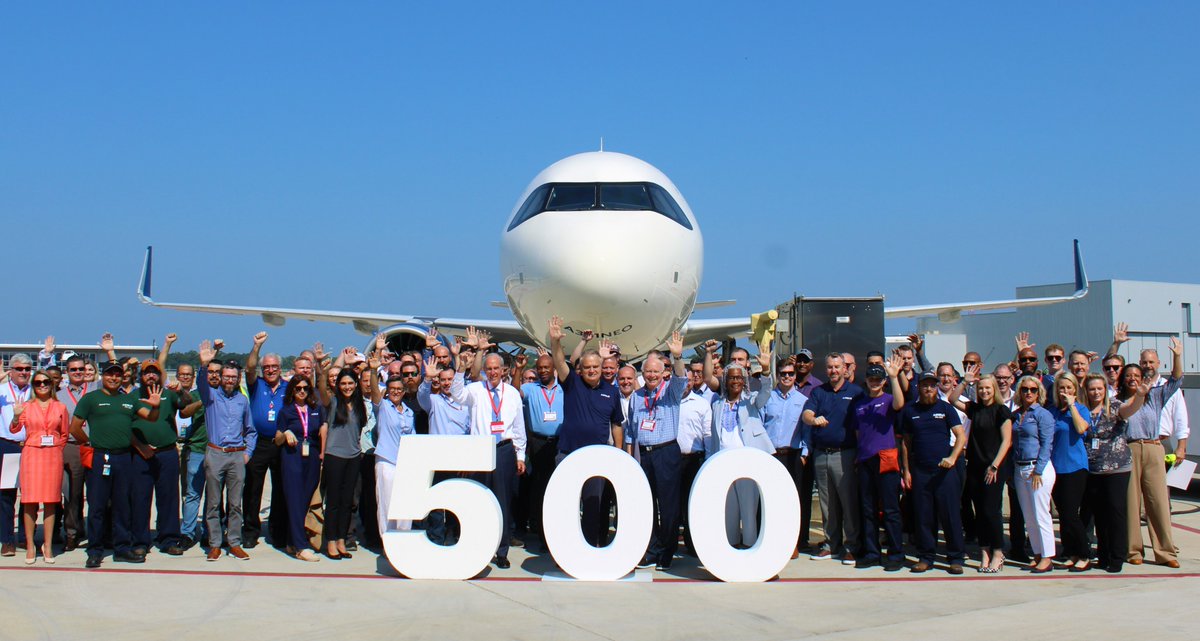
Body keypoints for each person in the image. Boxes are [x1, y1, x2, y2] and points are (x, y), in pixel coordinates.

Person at [70, 361, 163, 568]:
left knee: (122, 505)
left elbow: (151, 418)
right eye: (110, 374)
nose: (114, 378)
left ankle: (122, 548)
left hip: (123, 458)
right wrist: (89, 442)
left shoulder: (129, 400)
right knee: (97, 506)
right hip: (100, 457)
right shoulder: (91, 399)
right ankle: (95, 550)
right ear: (103, 376)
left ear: (123, 378)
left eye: (118, 375)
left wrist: (156, 406)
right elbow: (74, 427)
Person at [548, 316, 626, 547]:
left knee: (594, 506)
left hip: (598, 457)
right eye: (587, 367)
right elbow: (560, 362)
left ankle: (590, 546)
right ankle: (564, 548)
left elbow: (617, 424)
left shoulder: (611, 392)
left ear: (603, 369)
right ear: (580, 369)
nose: (592, 370)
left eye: (596, 367)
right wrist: (555, 342)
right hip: (568, 453)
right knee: (566, 505)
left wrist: (618, 453)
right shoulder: (572, 383)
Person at [1116, 336, 1183, 568]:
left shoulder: (1155, 395)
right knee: (1132, 503)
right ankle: (1134, 550)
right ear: (1124, 379)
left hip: (1154, 448)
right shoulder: (1118, 400)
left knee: (1158, 502)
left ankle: (1165, 552)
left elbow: (1176, 380)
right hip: (1130, 449)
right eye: (1129, 375)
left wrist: (1177, 356)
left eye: (1137, 375)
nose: (1134, 378)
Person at [624, 331, 687, 571]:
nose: (651, 375)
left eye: (655, 372)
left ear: (663, 374)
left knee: (668, 505)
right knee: (646, 503)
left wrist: (678, 356)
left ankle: (667, 551)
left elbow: (681, 377)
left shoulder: (671, 391)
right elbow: (630, 429)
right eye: (647, 371)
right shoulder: (637, 396)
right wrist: (631, 456)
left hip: (666, 452)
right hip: (645, 454)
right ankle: (650, 550)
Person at [898, 371, 968, 574]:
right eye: (925, 385)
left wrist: (953, 458)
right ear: (918, 387)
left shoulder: (946, 408)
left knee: (951, 515)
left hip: (944, 472)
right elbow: (905, 443)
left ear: (937, 387)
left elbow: (961, 436)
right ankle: (925, 557)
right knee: (923, 516)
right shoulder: (910, 410)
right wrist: (907, 471)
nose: (928, 389)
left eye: (932, 385)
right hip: (920, 471)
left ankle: (955, 557)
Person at [705, 351, 775, 548]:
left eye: (739, 377)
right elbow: (714, 437)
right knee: (729, 509)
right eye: (731, 378)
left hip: (747, 463)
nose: (735, 381)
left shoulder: (751, 401)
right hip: (724, 463)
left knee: (748, 508)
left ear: (744, 380)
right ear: (726, 381)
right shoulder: (718, 404)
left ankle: (750, 546)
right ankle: (732, 545)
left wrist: (766, 370)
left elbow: (767, 391)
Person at [946, 367, 1012, 572]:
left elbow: (1007, 441)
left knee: (991, 511)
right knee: (979, 512)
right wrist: (965, 382)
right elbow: (953, 399)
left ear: (994, 389)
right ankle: (984, 551)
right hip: (974, 466)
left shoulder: (1002, 411)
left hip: (992, 468)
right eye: (981, 388)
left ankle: (998, 552)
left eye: (987, 388)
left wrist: (994, 466)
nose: (984, 391)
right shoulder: (975, 409)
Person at [801, 353, 864, 564]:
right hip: (821, 455)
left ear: (845, 368)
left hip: (844, 454)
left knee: (848, 502)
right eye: (830, 367)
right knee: (828, 505)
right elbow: (806, 415)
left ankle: (852, 545)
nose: (833, 371)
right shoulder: (819, 392)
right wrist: (814, 419)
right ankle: (831, 544)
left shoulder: (856, 393)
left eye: (837, 367)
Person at [197, 341, 256, 561]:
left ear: (238, 379)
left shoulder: (242, 400)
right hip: (215, 453)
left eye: (233, 377)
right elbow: (202, 385)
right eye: (226, 376)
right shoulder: (211, 396)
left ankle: (234, 542)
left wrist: (247, 452)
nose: (230, 380)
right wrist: (203, 366)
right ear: (221, 377)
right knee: (213, 503)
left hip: (236, 455)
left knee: (235, 504)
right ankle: (214, 543)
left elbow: (251, 430)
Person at [849, 357, 905, 571]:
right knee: (868, 509)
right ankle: (872, 553)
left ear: (883, 382)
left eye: (878, 379)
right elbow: (857, 430)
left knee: (890, 509)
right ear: (866, 380)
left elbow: (900, 404)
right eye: (871, 378)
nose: (874, 382)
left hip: (886, 458)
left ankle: (895, 553)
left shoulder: (889, 399)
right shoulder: (860, 403)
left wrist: (893, 376)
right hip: (865, 460)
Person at [129, 361, 191, 557]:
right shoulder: (133, 397)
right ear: (141, 375)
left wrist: (181, 391)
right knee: (140, 498)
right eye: (147, 373)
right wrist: (141, 447)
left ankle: (169, 539)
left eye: (154, 373)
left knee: (169, 498)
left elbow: (188, 405)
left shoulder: (169, 394)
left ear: (160, 375)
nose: (151, 376)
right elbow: (125, 427)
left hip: (167, 453)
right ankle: (140, 540)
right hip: (140, 454)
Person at [10, 370, 69, 564]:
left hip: (52, 455)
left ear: (52, 384)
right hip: (32, 454)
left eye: (46, 382)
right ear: (33, 386)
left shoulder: (60, 407)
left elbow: (64, 434)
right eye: (37, 382)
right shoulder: (26, 406)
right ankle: (29, 545)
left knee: (51, 501)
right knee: (30, 501)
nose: (42, 385)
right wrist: (16, 416)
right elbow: (15, 430)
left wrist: (55, 448)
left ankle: (48, 545)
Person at [1083, 373, 1139, 573]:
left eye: (1099, 388)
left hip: (1117, 468)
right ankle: (1103, 554)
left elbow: (1131, 408)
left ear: (1105, 390)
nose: (1096, 392)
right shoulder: (1083, 410)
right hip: (1093, 468)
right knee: (1099, 514)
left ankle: (1117, 556)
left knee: (1115, 511)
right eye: (1092, 389)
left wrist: (1139, 396)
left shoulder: (1115, 406)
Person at [317, 350, 366, 560]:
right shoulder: (334, 402)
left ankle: (340, 540)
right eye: (343, 383)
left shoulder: (359, 404)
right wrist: (324, 366)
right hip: (334, 456)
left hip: (353, 456)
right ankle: (330, 540)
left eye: (350, 383)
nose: (347, 387)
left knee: (348, 502)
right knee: (334, 501)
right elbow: (321, 387)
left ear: (355, 385)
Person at [243, 331, 289, 549]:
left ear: (280, 369)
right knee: (253, 488)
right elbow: (249, 368)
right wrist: (256, 347)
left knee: (281, 489)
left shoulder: (288, 388)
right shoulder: (256, 384)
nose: (270, 370)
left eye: (274, 367)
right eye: (267, 367)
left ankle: (277, 531)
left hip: (279, 443)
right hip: (259, 442)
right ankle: (250, 530)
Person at [519, 342, 565, 551]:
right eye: (540, 368)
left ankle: (560, 532)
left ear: (554, 368)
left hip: (559, 442)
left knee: (559, 489)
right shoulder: (531, 388)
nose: (543, 371)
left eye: (547, 367)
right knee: (540, 489)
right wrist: (519, 370)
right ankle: (542, 534)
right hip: (537, 443)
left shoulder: (563, 388)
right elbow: (513, 392)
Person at [275, 374, 325, 561]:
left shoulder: (316, 409)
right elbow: (277, 438)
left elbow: (321, 431)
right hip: (292, 456)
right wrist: (286, 433)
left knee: (304, 500)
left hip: (311, 454)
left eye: (305, 388)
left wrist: (322, 454)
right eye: (298, 388)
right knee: (295, 500)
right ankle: (301, 546)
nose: (302, 391)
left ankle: (291, 540)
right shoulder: (286, 411)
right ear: (292, 390)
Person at [1010, 375, 1057, 573]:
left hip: (1038, 468)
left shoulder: (1042, 414)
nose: (1029, 392)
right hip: (1020, 468)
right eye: (1025, 389)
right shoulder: (1017, 414)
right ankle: (1037, 553)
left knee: (1041, 514)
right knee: (1028, 515)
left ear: (1039, 392)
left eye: (1033, 389)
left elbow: (1047, 443)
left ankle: (1047, 556)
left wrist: (1038, 470)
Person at [373, 348, 416, 552]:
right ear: (387, 391)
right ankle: (388, 543)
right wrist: (374, 370)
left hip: (405, 462)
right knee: (387, 504)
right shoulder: (383, 406)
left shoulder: (409, 412)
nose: (397, 391)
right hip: (387, 460)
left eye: (400, 389)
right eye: (393, 389)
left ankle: (404, 541)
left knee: (405, 504)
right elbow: (374, 391)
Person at [1046, 372, 1090, 569]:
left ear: (1075, 389)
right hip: (1056, 467)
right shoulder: (1052, 411)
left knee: (1071, 513)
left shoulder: (1081, 409)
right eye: (1061, 388)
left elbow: (1082, 429)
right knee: (1062, 514)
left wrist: (1072, 406)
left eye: (1068, 388)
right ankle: (1070, 551)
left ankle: (1084, 553)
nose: (1065, 392)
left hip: (1075, 467)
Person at [55, 354, 92, 551]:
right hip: (70, 446)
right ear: (67, 372)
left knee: (97, 494)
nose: (77, 372)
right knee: (72, 494)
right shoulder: (59, 395)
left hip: (93, 446)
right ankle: (72, 533)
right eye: (73, 370)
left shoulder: (95, 389)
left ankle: (97, 532)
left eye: (81, 369)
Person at [677, 357, 713, 555]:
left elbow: (707, 434)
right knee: (673, 502)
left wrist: (707, 459)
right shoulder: (669, 401)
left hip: (695, 459)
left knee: (693, 503)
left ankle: (693, 542)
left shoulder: (701, 404)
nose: (687, 383)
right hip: (673, 458)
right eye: (683, 379)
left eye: (689, 380)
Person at [0, 353, 33, 556]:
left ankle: (25, 537)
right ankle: (7, 539)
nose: (23, 372)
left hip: (32, 446)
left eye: (27, 369)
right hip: (8, 445)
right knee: (6, 496)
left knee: (30, 495)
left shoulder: (37, 390)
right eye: (19, 369)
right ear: (11, 371)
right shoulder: (2, 390)